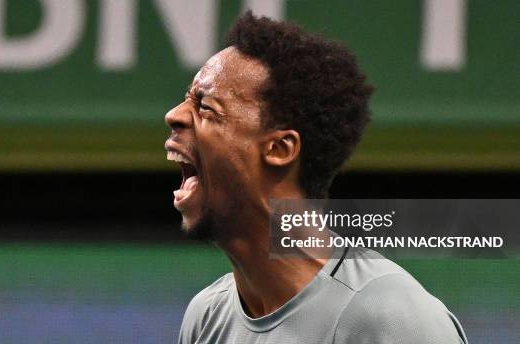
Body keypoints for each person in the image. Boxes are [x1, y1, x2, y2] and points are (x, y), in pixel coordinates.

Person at [164, 11, 468, 344]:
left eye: (205, 106)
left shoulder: (394, 319)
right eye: (186, 100)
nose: (175, 115)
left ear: (280, 148)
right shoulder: (205, 317)